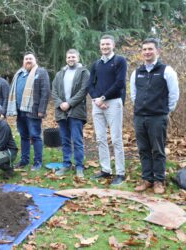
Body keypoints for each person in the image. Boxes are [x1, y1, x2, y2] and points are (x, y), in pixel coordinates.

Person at [131, 38, 179, 194]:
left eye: (150, 49)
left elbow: (174, 94)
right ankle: (147, 179)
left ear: (157, 51)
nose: (147, 52)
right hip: (140, 117)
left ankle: (159, 180)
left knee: (158, 150)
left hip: (158, 117)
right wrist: (140, 108)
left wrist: (165, 111)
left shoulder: (166, 70)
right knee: (143, 149)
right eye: (144, 49)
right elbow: (134, 94)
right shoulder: (137, 72)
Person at [88, 34, 127, 185]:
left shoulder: (119, 61)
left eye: (107, 44)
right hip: (97, 103)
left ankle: (120, 173)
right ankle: (105, 170)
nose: (104, 47)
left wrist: (103, 98)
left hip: (113, 103)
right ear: (100, 46)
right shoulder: (96, 64)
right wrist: (97, 100)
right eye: (102, 44)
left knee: (116, 139)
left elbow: (120, 83)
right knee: (100, 139)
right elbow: (90, 84)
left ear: (113, 45)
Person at [6, 52, 50, 170]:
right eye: (26, 59)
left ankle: (37, 162)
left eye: (30, 58)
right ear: (23, 61)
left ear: (35, 60)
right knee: (23, 136)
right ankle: (24, 160)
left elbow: (45, 92)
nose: (28, 61)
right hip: (20, 111)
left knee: (35, 136)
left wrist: (42, 110)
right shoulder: (19, 74)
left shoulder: (41, 72)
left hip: (33, 111)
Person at [52, 49, 90, 178]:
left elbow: (84, 90)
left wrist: (69, 103)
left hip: (76, 111)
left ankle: (79, 166)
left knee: (77, 140)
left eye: (73, 57)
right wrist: (60, 103)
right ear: (66, 59)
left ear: (78, 58)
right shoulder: (59, 74)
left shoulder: (84, 72)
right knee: (65, 140)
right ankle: (66, 164)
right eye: (69, 57)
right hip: (61, 111)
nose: (71, 59)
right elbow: (54, 91)